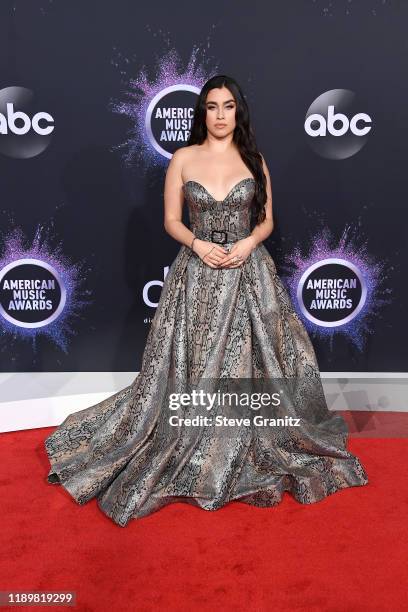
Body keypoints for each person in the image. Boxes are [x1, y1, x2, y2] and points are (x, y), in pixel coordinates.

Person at [44, 74, 368, 527]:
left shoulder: (255, 160)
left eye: (228, 106)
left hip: (246, 272)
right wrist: (199, 246)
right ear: (203, 114)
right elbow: (172, 221)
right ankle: (189, 440)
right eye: (212, 107)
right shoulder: (183, 158)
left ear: (239, 111)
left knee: (257, 361)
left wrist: (248, 243)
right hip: (196, 275)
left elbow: (268, 220)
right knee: (189, 364)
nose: (220, 115)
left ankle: (241, 438)